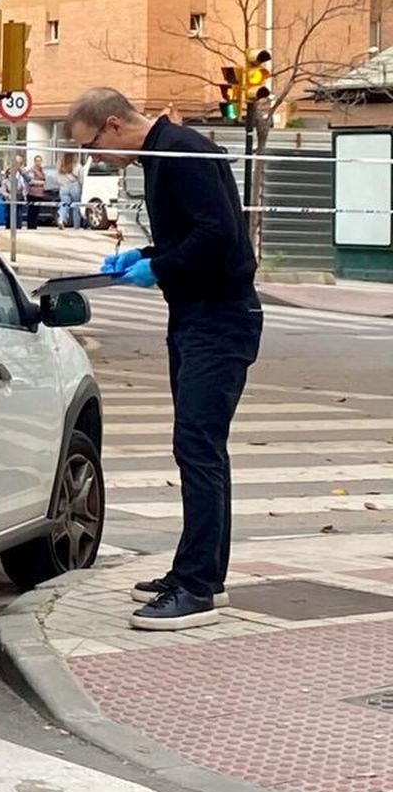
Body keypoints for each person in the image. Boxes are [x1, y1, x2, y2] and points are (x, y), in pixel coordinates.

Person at [67, 88, 261, 631]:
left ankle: (196, 587)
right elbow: (193, 234)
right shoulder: (161, 155)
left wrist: (159, 268)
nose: (95, 160)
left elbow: (219, 235)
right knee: (199, 449)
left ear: (111, 125)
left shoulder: (180, 152)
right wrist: (149, 257)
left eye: (91, 148)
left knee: (197, 449)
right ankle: (200, 574)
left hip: (219, 319)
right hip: (198, 316)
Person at [55, 153, 84, 229]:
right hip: (74, 186)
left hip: (63, 187)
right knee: (76, 206)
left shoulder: (60, 167)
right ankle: (76, 226)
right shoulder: (78, 166)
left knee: (65, 205)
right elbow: (81, 179)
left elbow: (57, 178)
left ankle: (61, 218)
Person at [26, 152, 47, 228]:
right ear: (34, 161)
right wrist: (42, 183)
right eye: (37, 161)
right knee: (32, 211)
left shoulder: (42, 170)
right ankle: (31, 226)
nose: (39, 162)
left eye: (40, 161)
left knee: (36, 211)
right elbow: (30, 181)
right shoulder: (32, 170)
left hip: (40, 194)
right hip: (32, 194)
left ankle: (34, 225)